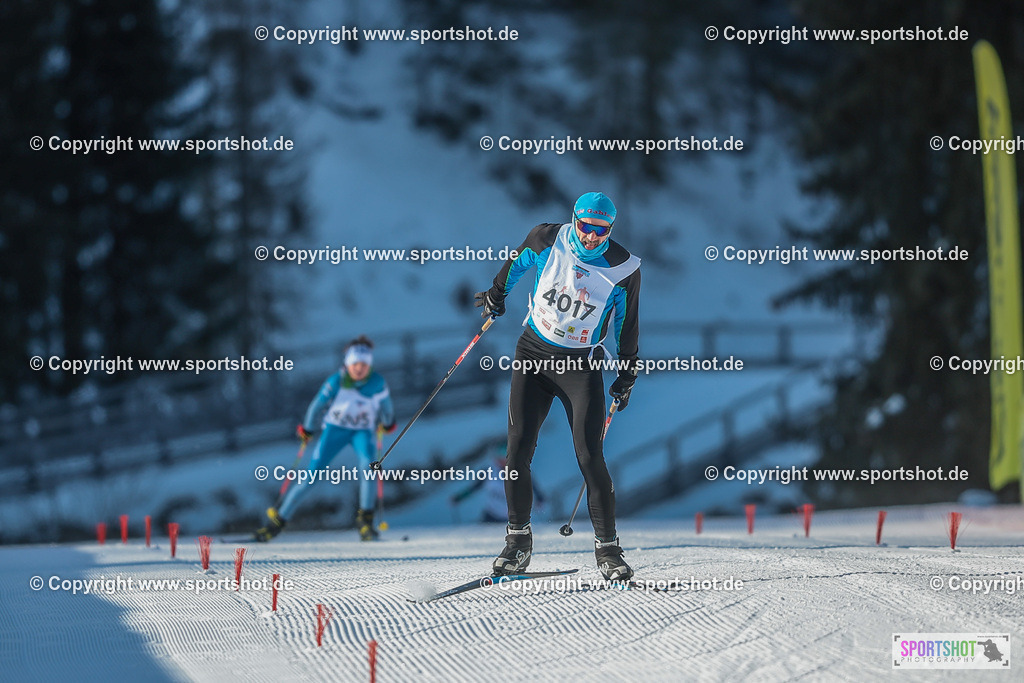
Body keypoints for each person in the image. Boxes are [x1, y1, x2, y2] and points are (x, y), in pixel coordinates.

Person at [475, 191, 641, 581]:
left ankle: (609, 550)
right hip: (532, 352)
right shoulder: (547, 238)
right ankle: (518, 542)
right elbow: (516, 263)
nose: (592, 237)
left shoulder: (623, 269)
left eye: (602, 231)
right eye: (586, 227)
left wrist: (627, 372)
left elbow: (626, 324)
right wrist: (497, 294)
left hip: (580, 365)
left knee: (589, 455)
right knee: (517, 449)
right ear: (575, 220)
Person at [255, 335, 396, 542]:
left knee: (369, 468)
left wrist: (388, 421)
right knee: (311, 476)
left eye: (364, 365)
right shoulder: (336, 381)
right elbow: (316, 406)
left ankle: (366, 523)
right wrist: (308, 428)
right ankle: (276, 523)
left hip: (362, 432)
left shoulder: (377, 383)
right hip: (335, 431)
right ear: (348, 364)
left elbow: (386, 406)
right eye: (355, 364)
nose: (359, 369)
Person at [449, 446, 547, 523]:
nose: (500, 462)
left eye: (503, 458)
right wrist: (459, 498)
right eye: (498, 458)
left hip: (512, 519)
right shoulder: (489, 472)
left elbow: (533, 487)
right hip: (491, 515)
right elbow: (473, 488)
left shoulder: (521, 472)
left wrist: (540, 499)